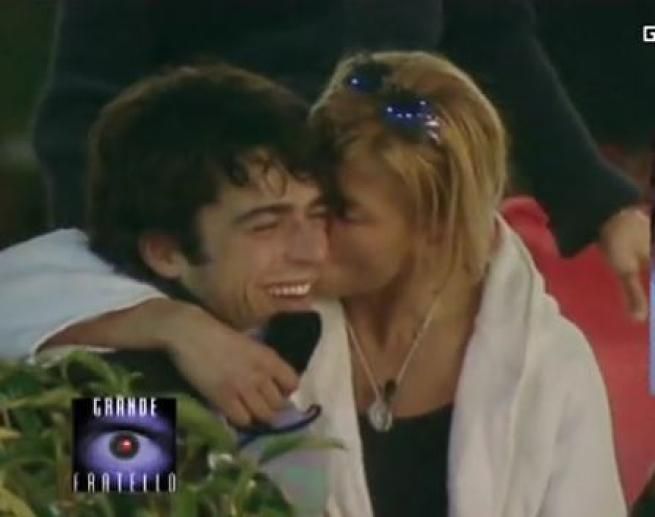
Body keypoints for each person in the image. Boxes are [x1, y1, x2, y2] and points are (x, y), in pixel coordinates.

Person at [2, 51, 625, 516]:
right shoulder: (173, 359)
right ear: (165, 254)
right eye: (271, 223)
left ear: (434, 226)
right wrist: (174, 326)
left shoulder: (546, 364)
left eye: (332, 213)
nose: (309, 248)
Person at [32, 0, 648, 319]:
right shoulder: (143, 329)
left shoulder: (505, 349)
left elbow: (491, 36)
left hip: (402, 262)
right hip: (207, 268)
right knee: (130, 479)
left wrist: (602, 203)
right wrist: (123, 300)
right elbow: (79, 112)